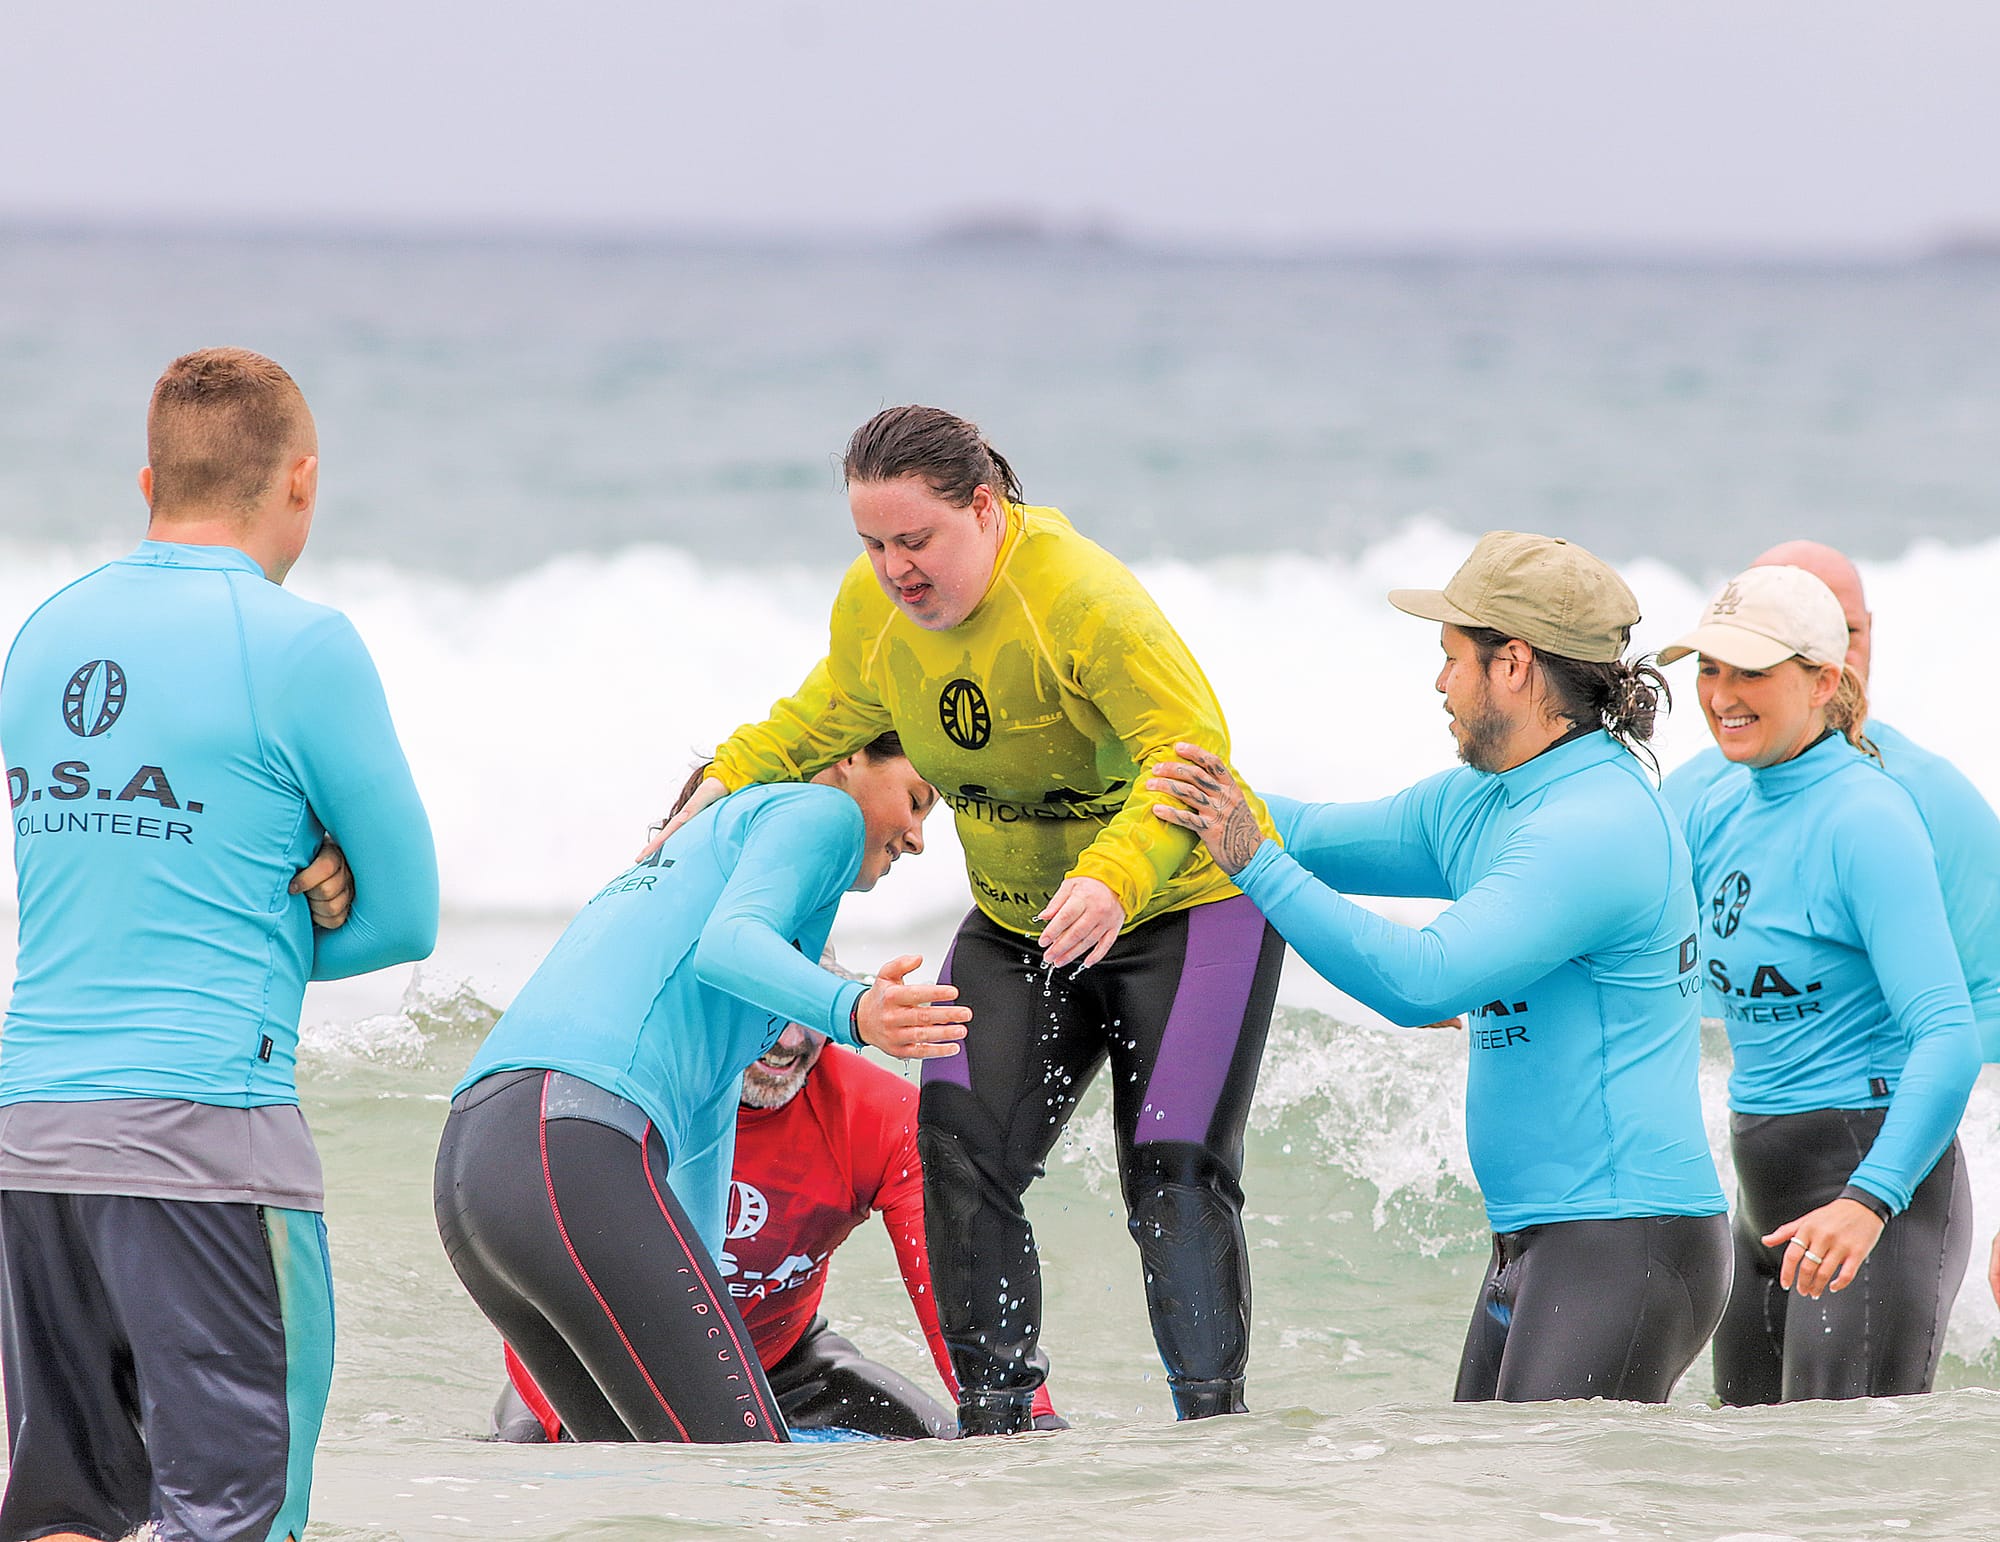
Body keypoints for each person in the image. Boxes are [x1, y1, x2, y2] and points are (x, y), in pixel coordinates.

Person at [647, 405, 1285, 1434]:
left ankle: (1212, 1447)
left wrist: (1116, 878)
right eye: (872, 543)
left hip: (1186, 914)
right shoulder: (873, 609)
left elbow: (1190, 752)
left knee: (1170, 1172)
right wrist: (717, 783)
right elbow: (822, 716)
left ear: (982, 509)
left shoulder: (1082, 604)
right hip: (1019, 922)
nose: (894, 568)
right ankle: (1000, 1438)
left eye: (915, 541)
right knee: (956, 1147)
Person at [0, 348, 439, 1542]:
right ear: (301, 482)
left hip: (31, 1136)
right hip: (205, 1137)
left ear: (149, 481)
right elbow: (407, 918)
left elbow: (105, 882)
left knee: (64, 1512)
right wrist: (302, 899)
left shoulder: (42, 633)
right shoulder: (301, 646)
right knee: (235, 1519)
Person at [1149, 530, 1730, 1404]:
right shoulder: (1482, 797)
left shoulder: (1596, 823)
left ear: (1516, 665)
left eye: (1453, 658)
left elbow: (1420, 978)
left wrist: (1252, 862)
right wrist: (1149, 782)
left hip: (1626, 1241)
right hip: (1541, 1241)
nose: (1439, 681)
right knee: (1493, 1506)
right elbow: (1304, 831)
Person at [434, 736, 969, 1444]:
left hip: (479, 1166)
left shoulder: (693, 867)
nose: (918, 837)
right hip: (573, 1141)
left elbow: (704, 1145)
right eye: (916, 800)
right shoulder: (818, 811)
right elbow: (731, 944)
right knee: (738, 1478)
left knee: (642, 1492)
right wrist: (855, 1009)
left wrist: (706, 1319)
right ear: (850, 760)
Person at [1660, 564, 1979, 1403]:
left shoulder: (1865, 818)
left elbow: (1948, 1034)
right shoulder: (1717, 803)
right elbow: (1639, 955)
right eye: (1708, 668)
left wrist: (1868, 1202)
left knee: (1845, 1495)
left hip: (1870, 1193)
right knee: (1763, 1492)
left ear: (1823, 681)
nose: (1722, 694)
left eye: (1751, 671)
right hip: (1765, 1203)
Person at [493, 1002, 1062, 1441]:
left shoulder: (877, 1117)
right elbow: (543, 1272)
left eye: (809, 1015)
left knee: (972, 1442)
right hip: (597, 1364)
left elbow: (953, 1294)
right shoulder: (633, 1093)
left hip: (786, 1363)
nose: (790, 1041)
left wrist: (1026, 1417)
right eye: (769, 1011)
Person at [1662, 540, 2000, 1057]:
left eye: (1848, 633)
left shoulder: (1937, 795)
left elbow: (1986, 1002)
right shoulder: (1692, 800)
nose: (1832, 650)